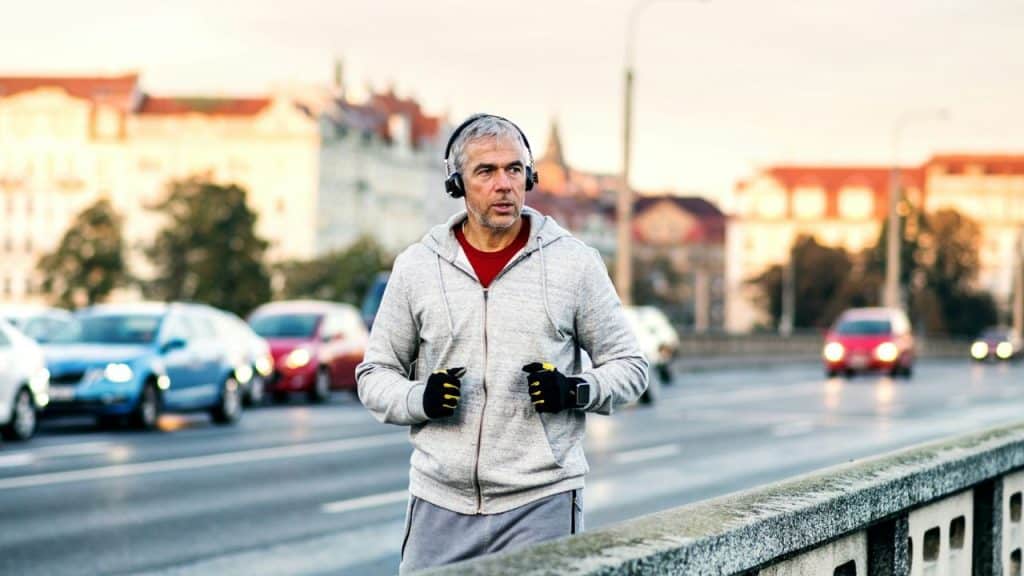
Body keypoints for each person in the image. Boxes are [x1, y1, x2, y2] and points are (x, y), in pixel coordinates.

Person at [356, 113, 648, 573]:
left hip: (542, 501)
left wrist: (574, 390)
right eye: (486, 172)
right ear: (458, 185)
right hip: (438, 503)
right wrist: (421, 398)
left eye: (514, 169)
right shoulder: (417, 268)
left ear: (529, 177)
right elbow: (374, 375)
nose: (504, 184)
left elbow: (631, 366)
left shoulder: (574, 264)